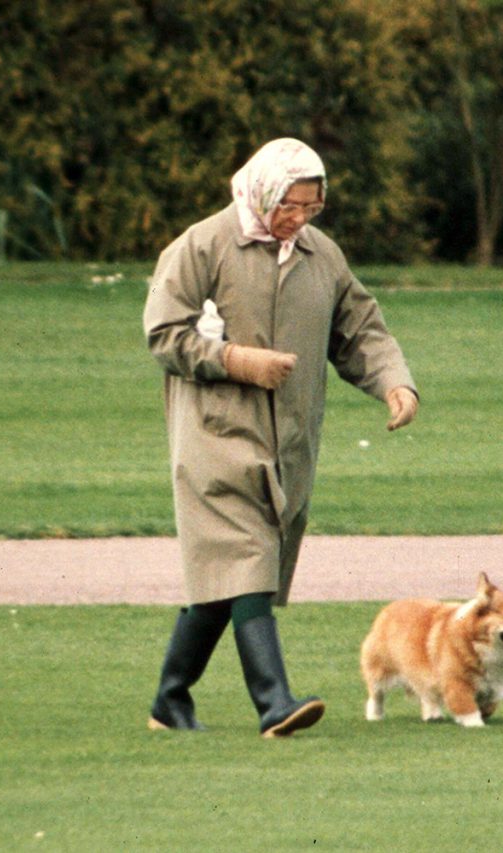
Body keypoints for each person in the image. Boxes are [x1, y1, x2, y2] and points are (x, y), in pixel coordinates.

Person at [142, 138, 419, 737]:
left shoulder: (321, 256)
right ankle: (275, 702)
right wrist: (238, 361)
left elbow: (361, 331)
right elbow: (164, 334)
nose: (298, 219)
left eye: (311, 208)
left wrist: (395, 384)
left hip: (289, 440)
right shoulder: (202, 245)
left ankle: (170, 700)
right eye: (290, 206)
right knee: (248, 560)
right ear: (264, 192)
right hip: (214, 435)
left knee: (227, 580)